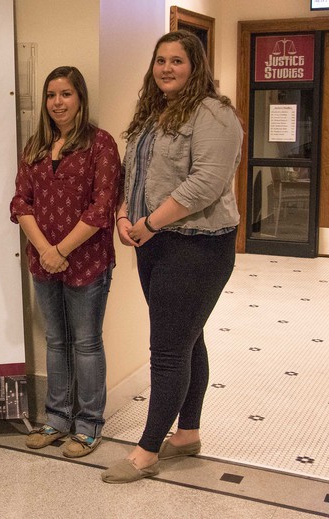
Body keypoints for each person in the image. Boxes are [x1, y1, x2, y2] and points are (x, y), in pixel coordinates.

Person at [102, 30, 243, 483]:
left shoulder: (215, 115)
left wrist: (147, 224)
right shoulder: (153, 114)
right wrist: (125, 213)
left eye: (177, 60)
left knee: (166, 351)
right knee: (187, 340)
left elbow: (204, 184)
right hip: (156, 242)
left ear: (195, 65)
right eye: (160, 60)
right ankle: (187, 435)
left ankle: (146, 452)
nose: (166, 68)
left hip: (198, 246)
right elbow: (136, 174)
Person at [10, 66, 122, 458]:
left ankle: (88, 425)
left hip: (87, 262)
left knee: (87, 343)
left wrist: (62, 250)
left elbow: (102, 205)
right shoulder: (35, 146)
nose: (57, 102)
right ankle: (56, 419)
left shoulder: (101, 144)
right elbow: (20, 202)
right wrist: (45, 250)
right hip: (43, 263)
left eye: (66, 94)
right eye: (51, 95)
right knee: (56, 341)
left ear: (80, 99)